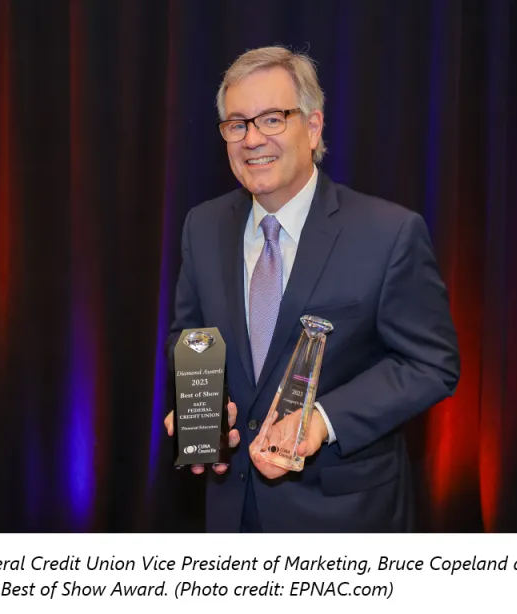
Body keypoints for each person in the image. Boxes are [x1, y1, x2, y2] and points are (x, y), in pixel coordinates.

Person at [165, 46, 460, 532]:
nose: (252, 138)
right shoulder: (203, 225)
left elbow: (431, 364)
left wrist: (321, 420)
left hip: (344, 519)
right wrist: (205, 410)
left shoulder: (388, 233)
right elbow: (189, 335)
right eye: (237, 124)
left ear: (314, 127)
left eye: (272, 119)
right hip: (230, 514)